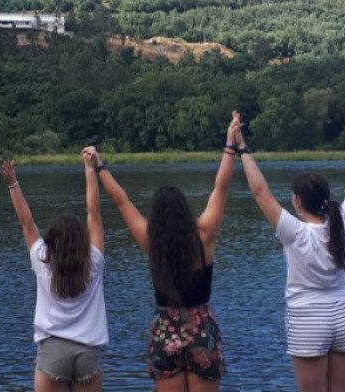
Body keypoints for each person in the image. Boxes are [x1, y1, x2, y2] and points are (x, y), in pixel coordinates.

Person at [83, 111, 241, 392]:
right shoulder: (203, 235)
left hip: (165, 329)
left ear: (156, 215)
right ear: (184, 210)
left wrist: (99, 166)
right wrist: (230, 145)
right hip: (201, 329)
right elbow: (222, 187)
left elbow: (122, 202)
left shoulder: (150, 240)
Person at [234, 103, 345, 392]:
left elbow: (260, 192)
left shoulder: (294, 232)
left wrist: (242, 148)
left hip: (308, 321)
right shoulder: (344, 220)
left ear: (297, 201)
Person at [3, 153, 108, 392]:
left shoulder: (43, 260)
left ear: (51, 241)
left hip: (53, 352)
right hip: (88, 352)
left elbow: (27, 223)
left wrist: (13, 184)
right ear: (82, 240)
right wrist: (89, 169)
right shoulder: (94, 260)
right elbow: (94, 213)